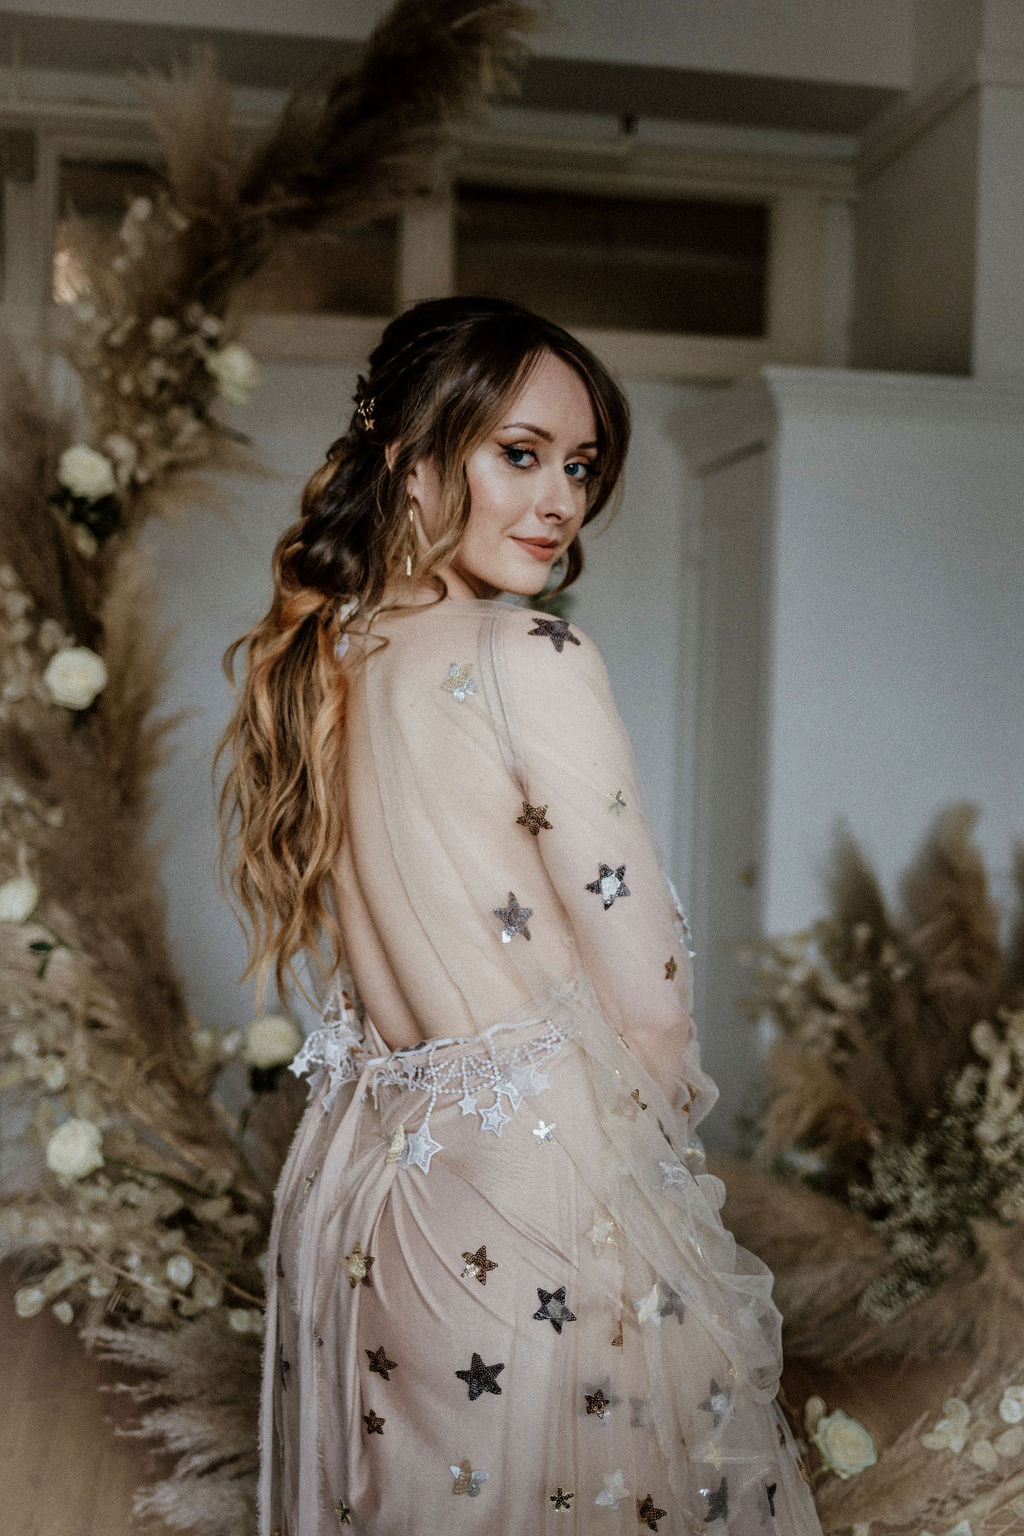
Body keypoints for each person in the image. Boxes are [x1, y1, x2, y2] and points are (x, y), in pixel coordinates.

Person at [216, 296, 824, 1535]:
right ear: (412, 458)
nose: (560, 500)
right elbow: (649, 1003)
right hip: (525, 1185)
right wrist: (657, 1211)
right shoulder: (528, 656)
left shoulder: (326, 658)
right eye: (521, 454)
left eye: (580, 465)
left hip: (359, 1192)